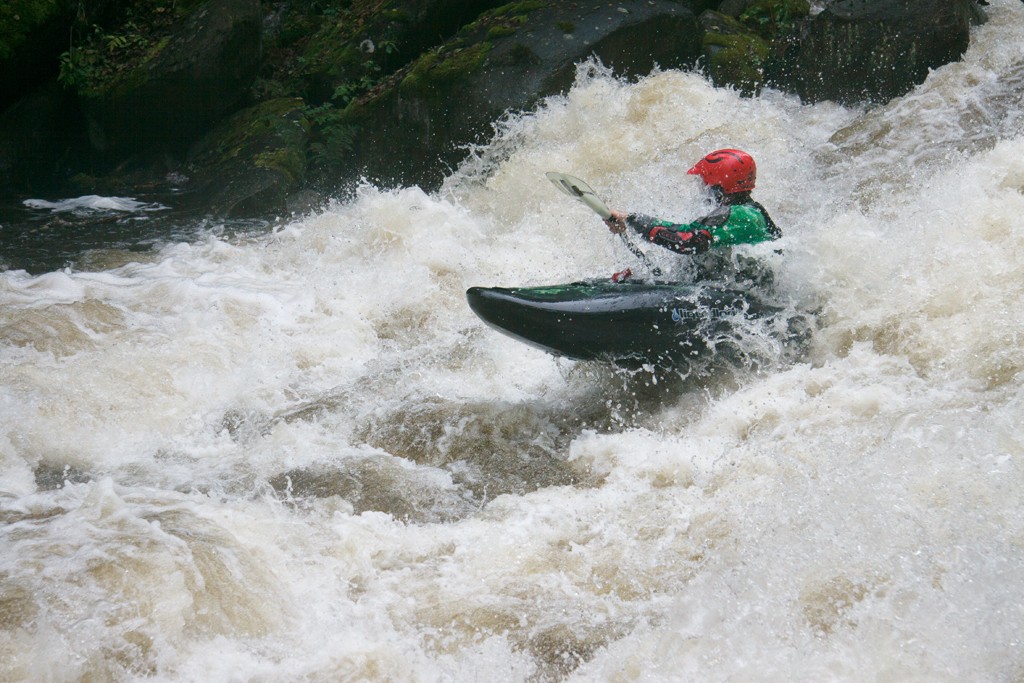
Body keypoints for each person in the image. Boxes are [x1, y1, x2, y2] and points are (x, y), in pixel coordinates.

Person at [604, 148, 781, 284]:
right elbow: (688, 233)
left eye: (704, 183)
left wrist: (630, 219)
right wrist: (631, 221)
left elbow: (687, 240)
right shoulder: (753, 211)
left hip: (744, 299)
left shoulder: (737, 215)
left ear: (719, 186)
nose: (702, 189)